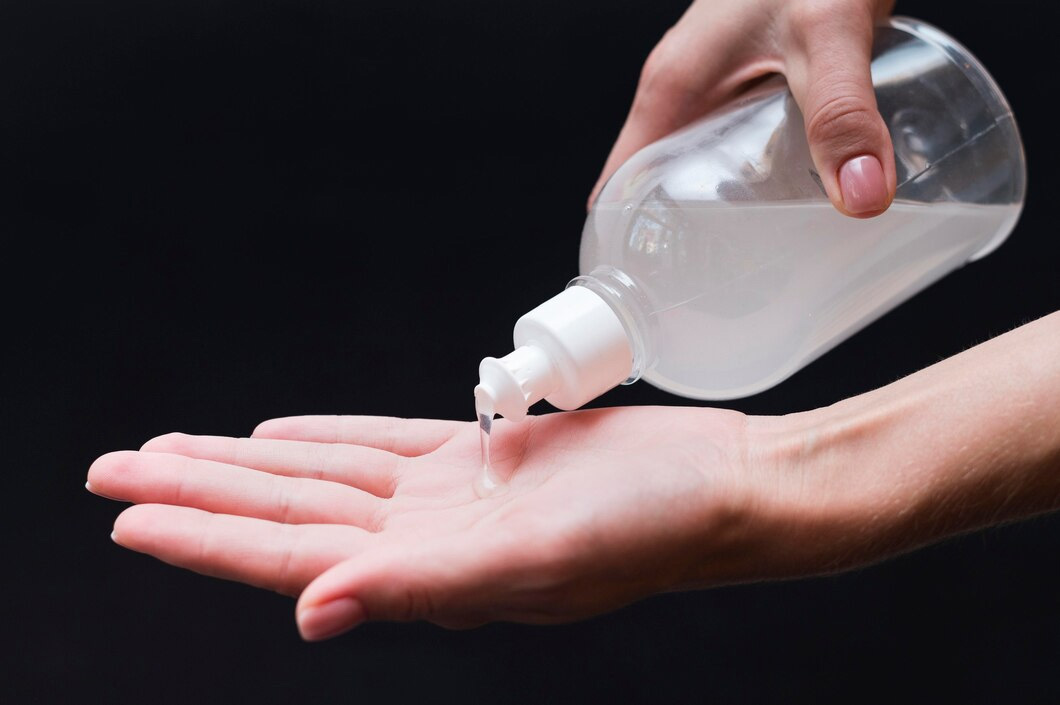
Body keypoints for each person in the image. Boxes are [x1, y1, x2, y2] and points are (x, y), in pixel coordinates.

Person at [86, 0, 1059, 642]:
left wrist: (785, 476)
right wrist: (780, 474)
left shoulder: (668, 273)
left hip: (951, 112)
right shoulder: (690, 322)